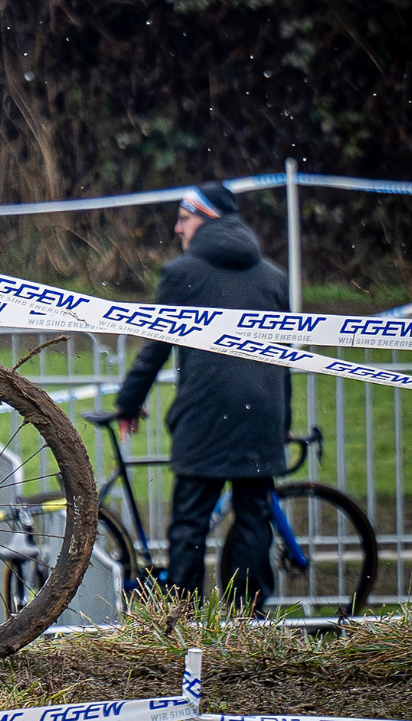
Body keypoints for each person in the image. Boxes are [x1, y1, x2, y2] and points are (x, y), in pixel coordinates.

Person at [114, 182, 291, 611]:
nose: (178, 228)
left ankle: (184, 616)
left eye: (184, 218)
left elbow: (155, 346)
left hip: (206, 413)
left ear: (206, 219)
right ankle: (247, 619)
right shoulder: (273, 277)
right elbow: (284, 359)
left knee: (190, 521)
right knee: (254, 518)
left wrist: (128, 402)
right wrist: (282, 422)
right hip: (261, 415)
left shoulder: (182, 274)